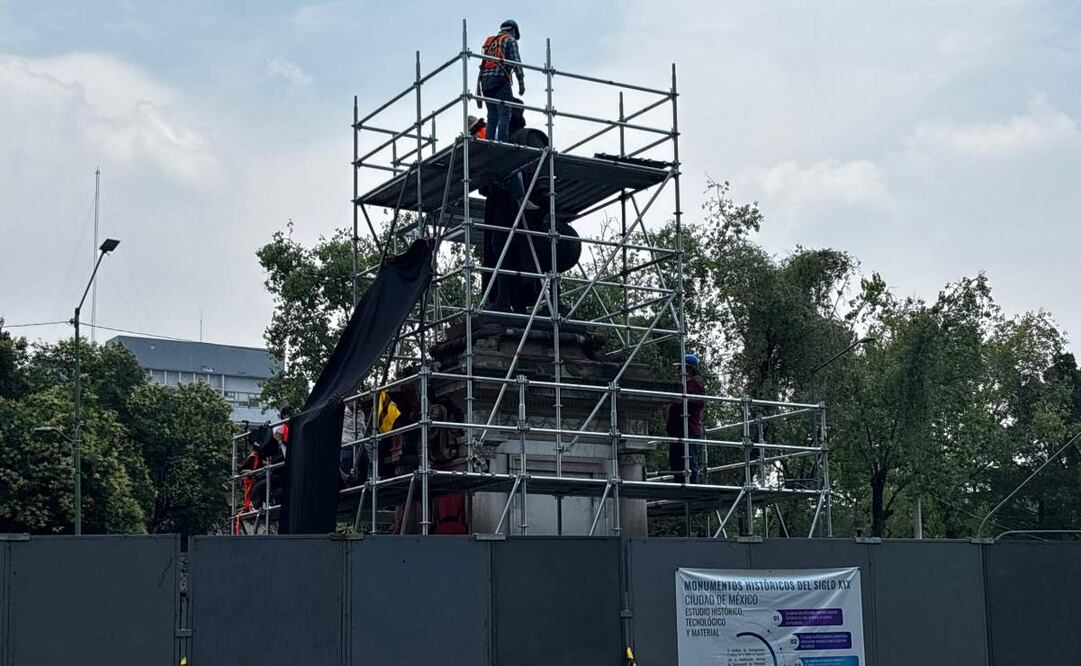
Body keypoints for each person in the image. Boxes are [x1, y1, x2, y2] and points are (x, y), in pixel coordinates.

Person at [476, 19, 538, 210]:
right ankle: (502, 142)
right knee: (505, 112)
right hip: (500, 79)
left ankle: (491, 142)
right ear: (512, 30)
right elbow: (515, 62)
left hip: (486, 83)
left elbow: (481, 67)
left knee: (492, 115)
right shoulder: (509, 41)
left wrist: (478, 92)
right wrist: (521, 82)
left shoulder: (490, 41)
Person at [666, 354, 706, 484]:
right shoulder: (681, 384)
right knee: (676, 461)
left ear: (690, 369)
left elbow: (699, 403)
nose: (680, 371)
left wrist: (682, 400)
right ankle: (680, 485)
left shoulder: (695, 384)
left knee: (690, 460)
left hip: (689, 428)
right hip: (677, 429)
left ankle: (693, 486)